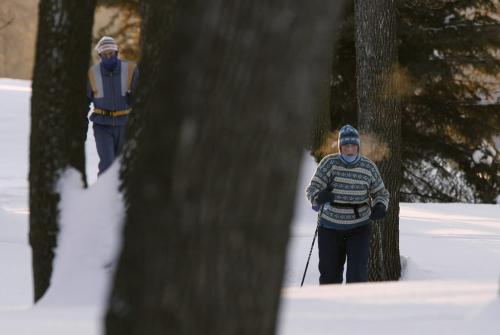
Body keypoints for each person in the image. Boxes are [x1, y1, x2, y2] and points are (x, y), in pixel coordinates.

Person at [305, 124, 389, 284]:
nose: (349, 149)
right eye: (345, 146)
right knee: (329, 275)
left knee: (357, 274)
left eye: (353, 145)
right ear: (340, 147)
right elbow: (312, 189)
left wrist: (380, 205)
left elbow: (381, 193)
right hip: (330, 227)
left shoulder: (368, 167)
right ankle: (330, 306)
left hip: (359, 227)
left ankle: (355, 307)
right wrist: (319, 196)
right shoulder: (329, 163)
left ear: (357, 146)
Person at [87, 36, 138, 175]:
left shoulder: (131, 69)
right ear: (100, 56)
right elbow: (85, 102)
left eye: (111, 53)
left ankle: (121, 196)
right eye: (105, 54)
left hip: (125, 124)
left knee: (123, 167)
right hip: (102, 125)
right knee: (107, 165)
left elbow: (140, 98)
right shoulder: (92, 73)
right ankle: (102, 195)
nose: (108, 57)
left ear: (117, 53)